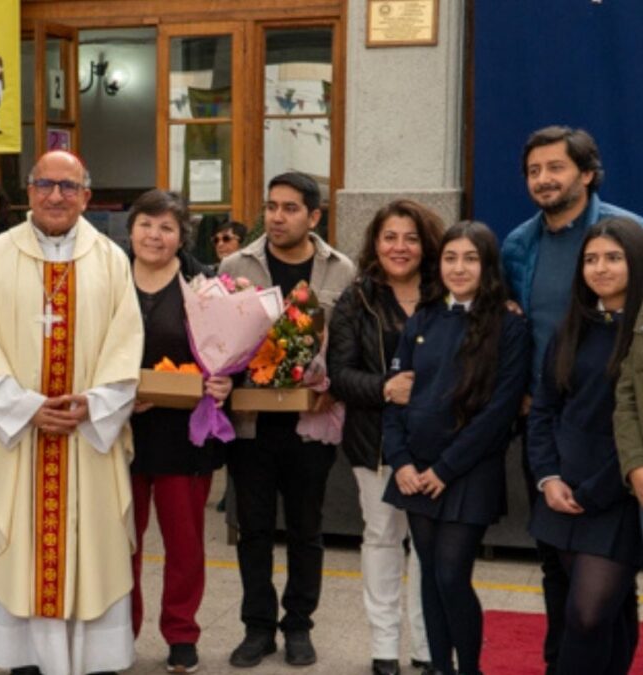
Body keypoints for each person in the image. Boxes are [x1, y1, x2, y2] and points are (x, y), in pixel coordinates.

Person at [0, 150, 143, 675]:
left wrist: (91, 405)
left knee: (90, 549)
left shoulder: (111, 260)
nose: (56, 196)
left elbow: (126, 347)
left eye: (68, 187)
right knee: (19, 549)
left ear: (86, 197)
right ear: (28, 192)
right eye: (45, 185)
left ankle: (90, 661)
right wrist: (26, 409)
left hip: (86, 436)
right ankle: (24, 660)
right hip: (19, 438)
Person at [501, 125, 643, 674]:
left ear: (585, 173)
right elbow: (514, 323)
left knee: (596, 601)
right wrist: (547, 469)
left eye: (555, 168)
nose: (544, 180)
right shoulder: (517, 245)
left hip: (620, 464)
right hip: (552, 438)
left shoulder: (629, 229)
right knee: (566, 592)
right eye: (534, 171)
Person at [219, 171, 354, 668]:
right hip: (250, 424)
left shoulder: (341, 271)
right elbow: (218, 340)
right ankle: (257, 628)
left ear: (314, 216)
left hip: (310, 424)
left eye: (291, 208)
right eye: (272, 206)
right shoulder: (236, 265)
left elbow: (349, 344)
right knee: (252, 529)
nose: (277, 216)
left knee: (305, 529)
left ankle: (299, 626)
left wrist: (334, 387)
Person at [383, 221, 529, 675]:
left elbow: (500, 413)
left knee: (450, 574)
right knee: (429, 574)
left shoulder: (508, 325)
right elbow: (396, 397)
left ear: (487, 266)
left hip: (466, 471)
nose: (459, 267)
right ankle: (439, 668)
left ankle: (469, 669)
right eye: (450, 257)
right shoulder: (422, 319)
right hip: (416, 469)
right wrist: (401, 461)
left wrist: (445, 468)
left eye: (470, 258)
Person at [327, 199, 443, 675]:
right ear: (375, 243)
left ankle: (426, 643)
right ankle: (383, 646)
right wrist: (384, 388)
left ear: (427, 244)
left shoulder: (446, 293)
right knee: (381, 538)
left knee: (428, 543)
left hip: (436, 445)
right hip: (373, 443)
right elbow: (338, 376)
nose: (400, 247)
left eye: (411, 238)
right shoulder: (358, 299)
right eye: (390, 237)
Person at [529, 218, 643, 675]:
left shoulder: (637, 332)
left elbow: (633, 424)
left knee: (588, 613)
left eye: (613, 258)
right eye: (591, 259)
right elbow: (544, 410)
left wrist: (599, 488)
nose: (600, 268)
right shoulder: (570, 328)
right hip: (561, 489)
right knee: (592, 614)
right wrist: (549, 477)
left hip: (617, 492)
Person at [127, 189, 231, 674]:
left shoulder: (203, 283)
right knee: (120, 542)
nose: (155, 235)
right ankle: (117, 631)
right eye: (147, 224)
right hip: (118, 433)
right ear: (131, 229)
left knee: (184, 544)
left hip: (185, 434)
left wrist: (226, 378)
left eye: (167, 227)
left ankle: (181, 634)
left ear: (181, 236)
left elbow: (231, 350)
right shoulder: (105, 278)